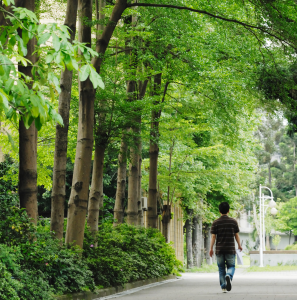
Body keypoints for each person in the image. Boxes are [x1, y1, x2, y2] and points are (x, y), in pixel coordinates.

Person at [209, 202, 242, 293]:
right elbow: (237, 235)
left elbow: (213, 237)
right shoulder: (233, 222)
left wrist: (211, 248)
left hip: (219, 249)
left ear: (219, 211)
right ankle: (229, 275)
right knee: (231, 266)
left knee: (221, 268)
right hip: (230, 249)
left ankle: (223, 286)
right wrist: (239, 245)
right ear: (228, 210)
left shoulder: (215, 222)